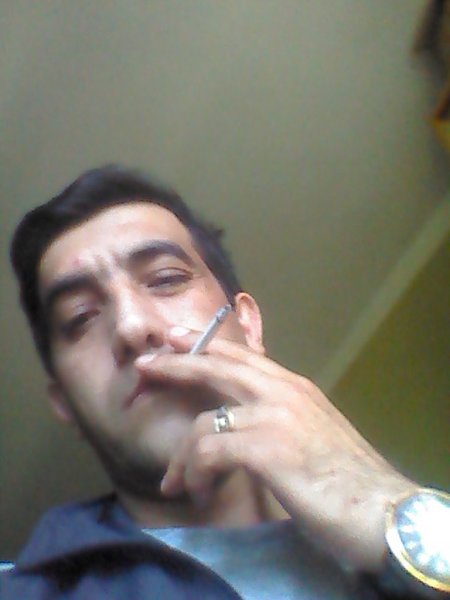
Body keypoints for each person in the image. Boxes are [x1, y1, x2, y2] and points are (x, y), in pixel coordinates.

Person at [2, 165, 448, 599]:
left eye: (166, 279)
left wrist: (390, 509)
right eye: (80, 317)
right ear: (65, 404)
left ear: (248, 325)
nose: (132, 327)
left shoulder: (398, 525)